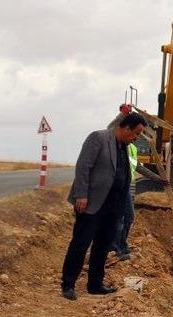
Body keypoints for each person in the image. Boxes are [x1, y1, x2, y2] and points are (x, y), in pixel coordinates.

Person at [60, 113, 149, 301]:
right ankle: (68, 284)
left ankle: (95, 284)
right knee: (81, 243)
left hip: (113, 206)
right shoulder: (98, 138)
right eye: (137, 133)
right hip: (92, 203)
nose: (137, 137)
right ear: (126, 128)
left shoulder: (125, 146)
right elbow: (83, 167)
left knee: (102, 246)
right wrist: (81, 195)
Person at [107, 104, 167, 260]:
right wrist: (121, 115)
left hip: (126, 186)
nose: (138, 136)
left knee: (129, 217)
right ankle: (114, 247)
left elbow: (138, 166)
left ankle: (121, 244)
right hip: (117, 186)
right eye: (137, 132)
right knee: (119, 218)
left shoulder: (132, 148)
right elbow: (111, 129)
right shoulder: (118, 144)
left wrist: (157, 178)